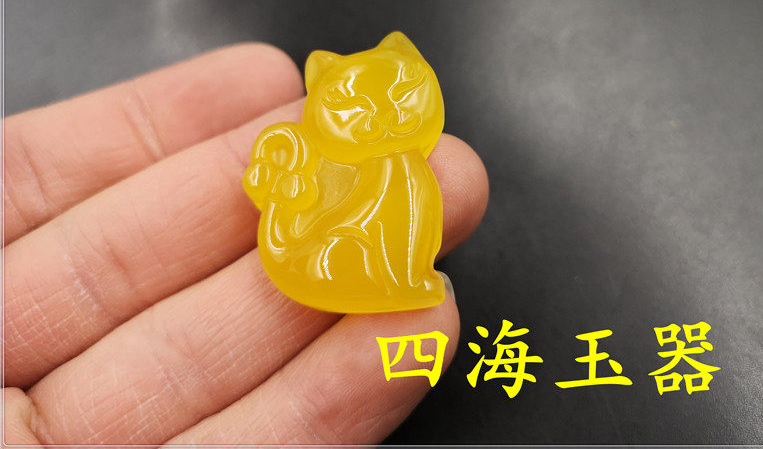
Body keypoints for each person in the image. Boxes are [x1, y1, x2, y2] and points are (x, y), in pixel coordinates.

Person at [3, 42, 489, 445]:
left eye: (402, 94)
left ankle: (399, 280)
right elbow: (361, 220)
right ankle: (396, 281)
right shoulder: (365, 167)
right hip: (323, 253)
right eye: (353, 104)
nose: (382, 113)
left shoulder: (398, 167)